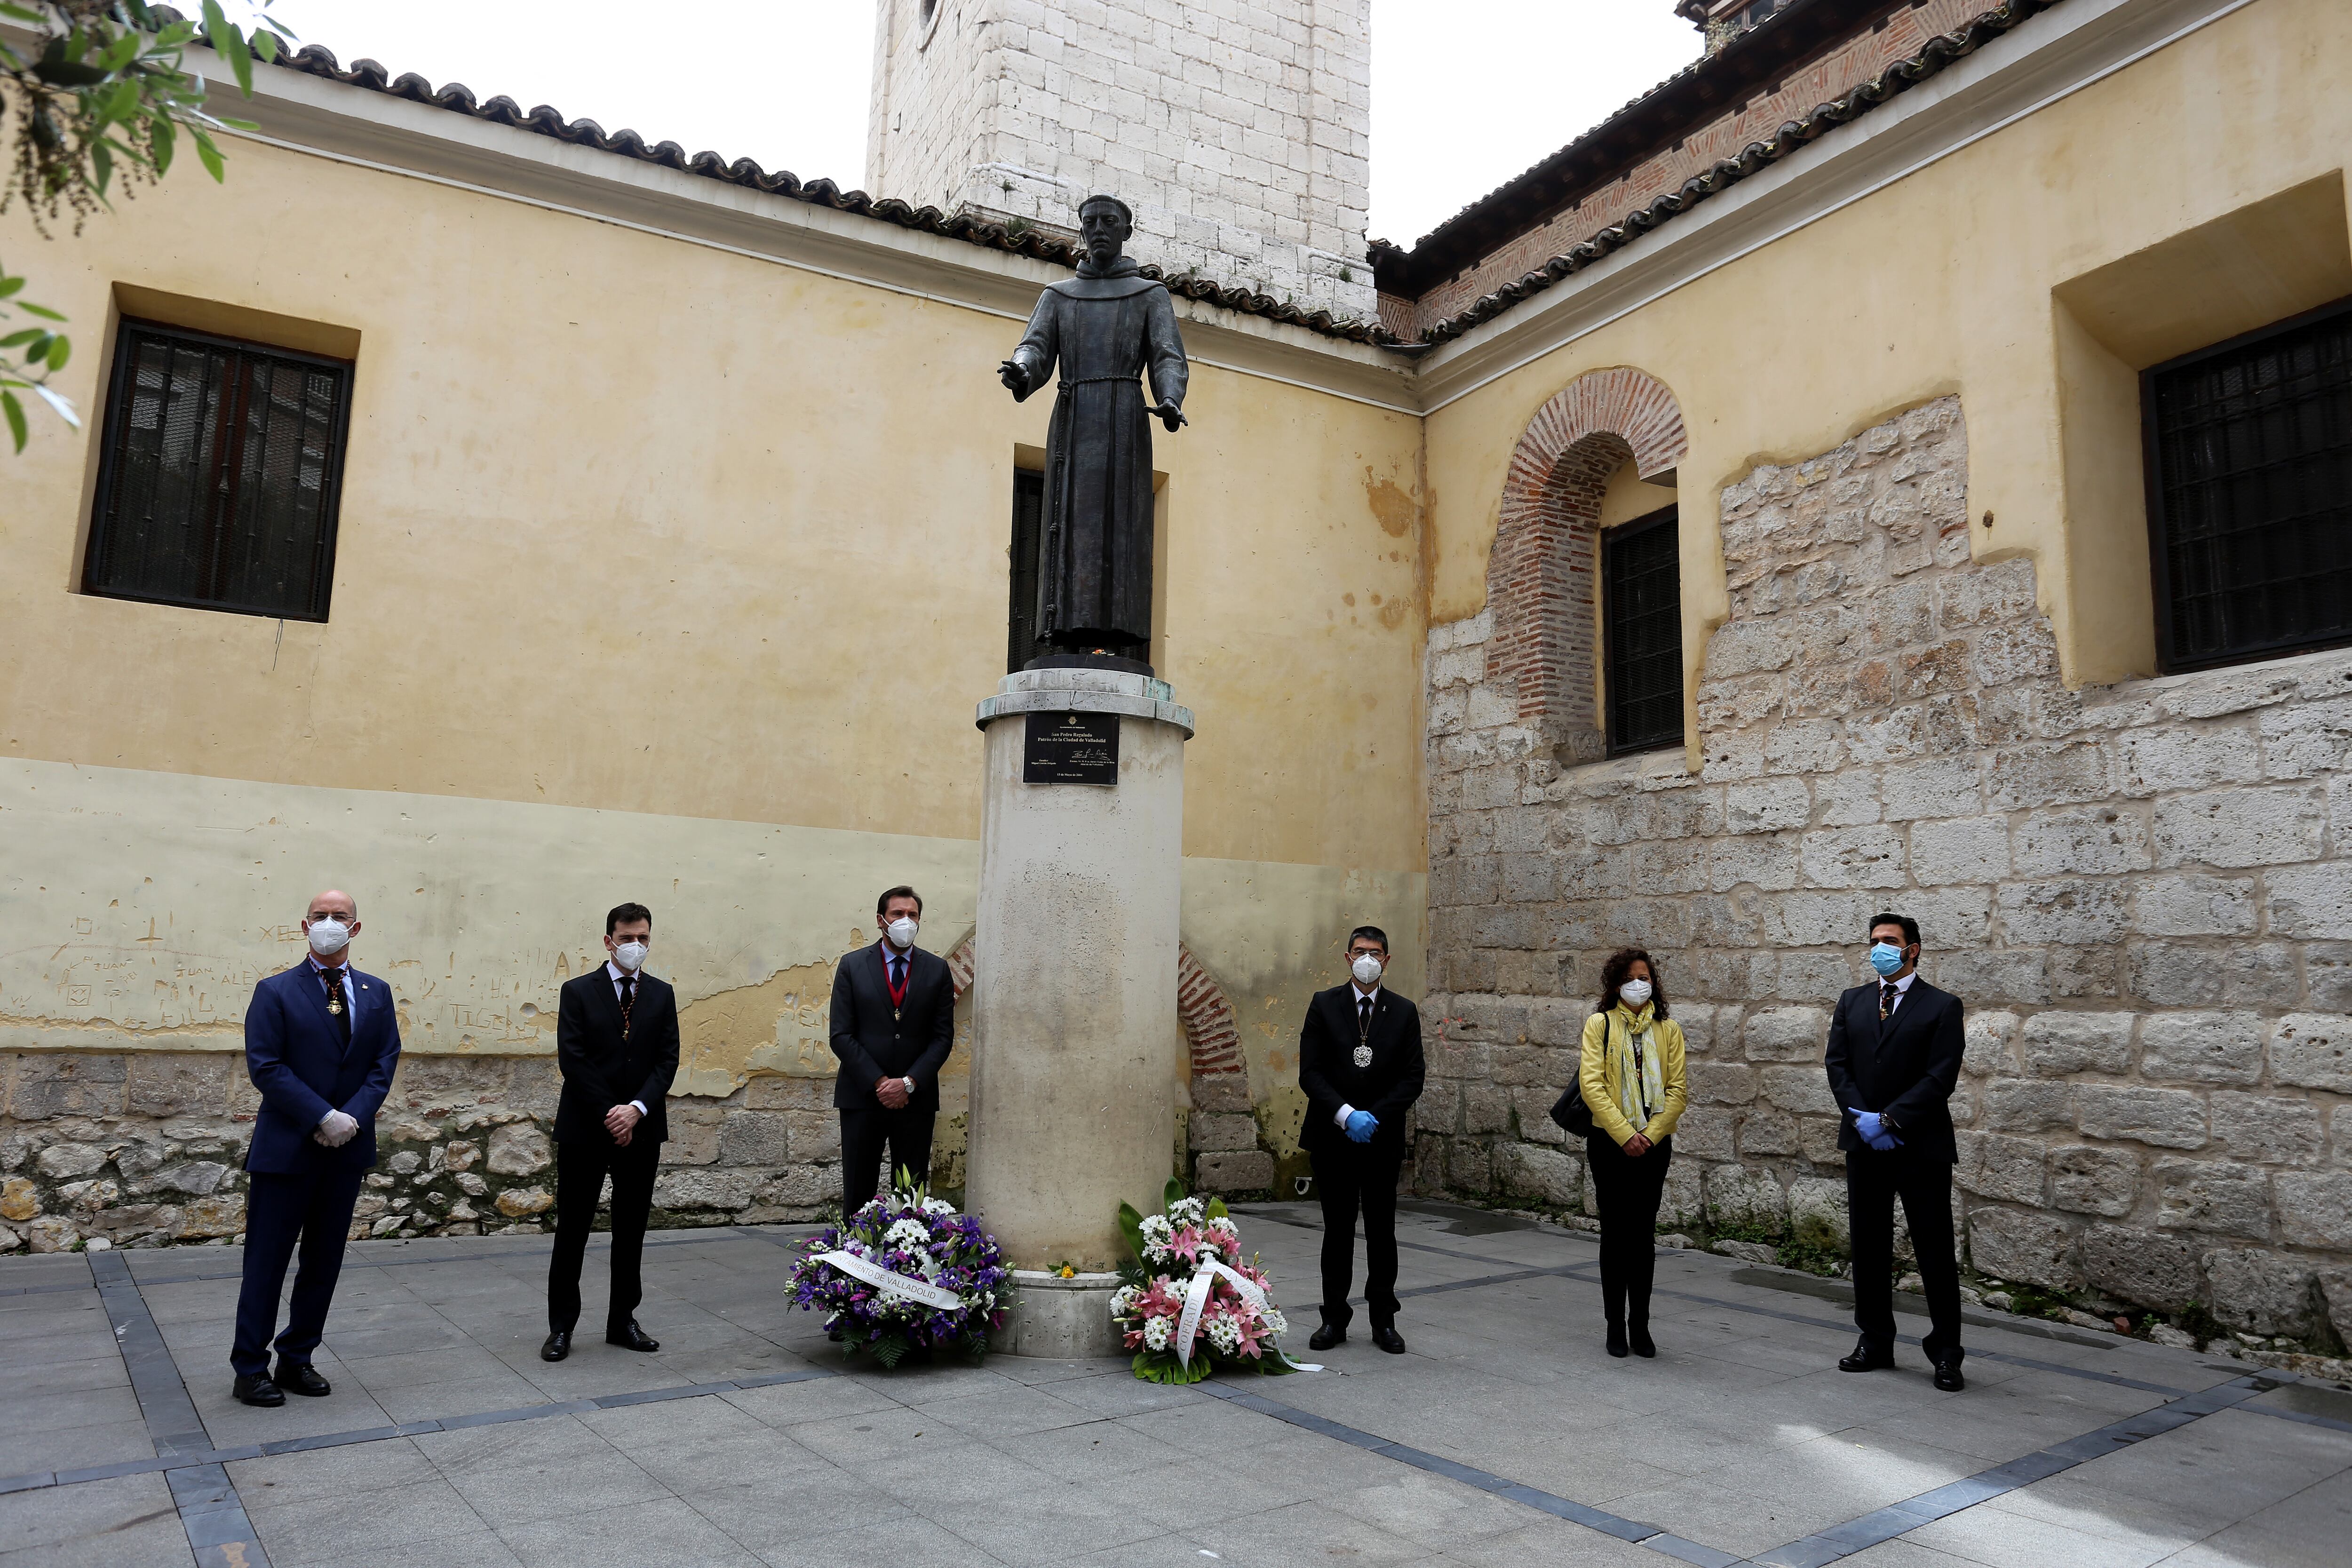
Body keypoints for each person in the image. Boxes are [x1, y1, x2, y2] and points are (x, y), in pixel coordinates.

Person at [230, 889, 403, 1407]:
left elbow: (383, 1061)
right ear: (304, 926)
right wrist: (321, 1115)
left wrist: (350, 1117)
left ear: (356, 928)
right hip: (287, 1150)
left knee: (323, 1260)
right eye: (320, 916)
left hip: (346, 1148)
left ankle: (298, 1357)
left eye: (340, 917)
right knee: (267, 1261)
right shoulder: (275, 991)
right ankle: (249, 1368)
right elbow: (266, 1065)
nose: (330, 923)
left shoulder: (376, 992)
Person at [1824, 912, 1968, 1393]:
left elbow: (1940, 1076)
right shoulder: (1853, 1002)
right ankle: (1874, 1339)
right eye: (1873, 941)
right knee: (1868, 1245)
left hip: (1918, 1146)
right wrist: (1862, 1121)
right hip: (1864, 1144)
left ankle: (1946, 1350)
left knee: (1933, 1250)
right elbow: (1837, 1065)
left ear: (1913, 949)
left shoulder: (1941, 1006)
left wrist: (1890, 1119)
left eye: (1889, 941)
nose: (1878, 948)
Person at [542, 902, 679, 1362]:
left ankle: (623, 1320)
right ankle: (561, 1326)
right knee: (573, 1229)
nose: (635, 946)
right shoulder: (578, 991)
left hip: (641, 1129)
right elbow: (573, 1059)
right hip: (586, 1127)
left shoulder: (661, 995)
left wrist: (636, 1110)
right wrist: (610, 1112)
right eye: (626, 938)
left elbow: (667, 1061)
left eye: (642, 938)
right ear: (608, 941)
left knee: (631, 1229)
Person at [1296, 926, 1425, 1354]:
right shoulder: (1324, 1004)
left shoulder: (1404, 1011)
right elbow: (1310, 1072)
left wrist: (1376, 1117)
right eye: (1359, 951)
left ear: (1387, 960)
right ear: (1348, 957)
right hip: (1334, 1138)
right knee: (1337, 1232)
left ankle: (1383, 1319)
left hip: (1381, 1140)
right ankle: (1334, 1318)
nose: (1367, 958)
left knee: (1382, 1231)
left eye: (1376, 952)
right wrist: (1346, 1114)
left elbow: (1413, 1076)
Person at [1578, 947, 1689, 1360]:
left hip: (1653, 1145)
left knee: (1642, 1235)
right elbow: (1593, 1086)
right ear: (1616, 984)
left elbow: (1678, 1090)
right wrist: (1625, 1133)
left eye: (1645, 977)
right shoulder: (1599, 1025)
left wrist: (1651, 1133)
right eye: (1630, 978)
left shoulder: (1669, 1029)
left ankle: (1640, 1324)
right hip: (1609, 1142)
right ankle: (1614, 1325)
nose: (1638, 984)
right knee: (1615, 1233)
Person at [829, 886, 956, 1220]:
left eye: (912, 915)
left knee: (911, 1192)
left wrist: (909, 1082)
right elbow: (841, 1034)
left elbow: (942, 1037)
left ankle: (905, 1264)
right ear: (881, 920)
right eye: (898, 914)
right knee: (859, 1189)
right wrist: (880, 1082)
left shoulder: (937, 970)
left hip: (915, 1099)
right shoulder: (853, 966)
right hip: (862, 1095)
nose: (906, 921)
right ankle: (855, 1262)